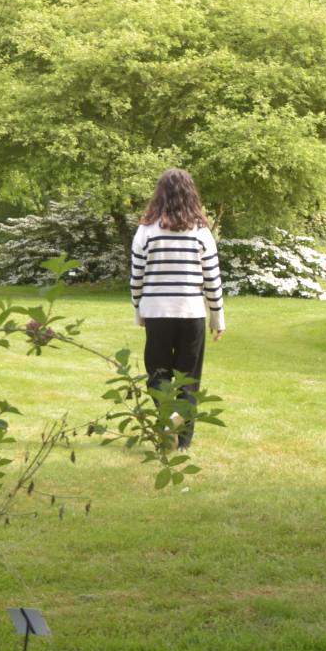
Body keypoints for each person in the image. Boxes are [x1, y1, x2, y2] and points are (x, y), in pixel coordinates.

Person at [128, 167, 225, 449]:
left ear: (159, 194)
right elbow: (212, 278)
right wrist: (217, 318)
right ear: (190, 195)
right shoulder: (201, 232)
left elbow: (137, 278)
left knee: (158, 374)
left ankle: (167, 422)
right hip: (191, 313)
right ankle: (182, 441)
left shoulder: (146, 230)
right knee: (189, 379)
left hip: (157, 314)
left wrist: (139, 311)